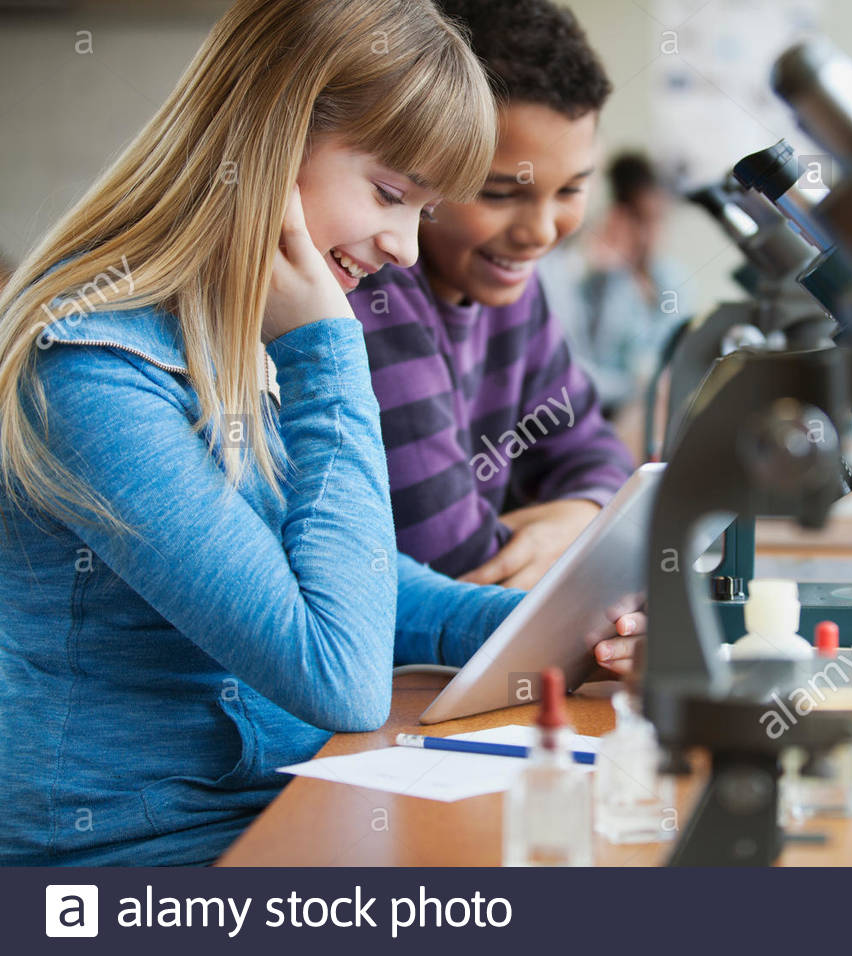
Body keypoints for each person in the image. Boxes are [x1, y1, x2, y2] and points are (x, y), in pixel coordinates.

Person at [0, 0, 639, 867]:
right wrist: (328, 352)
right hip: (144, 859)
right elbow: (340, 675)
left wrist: (579, 631)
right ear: (271, 139)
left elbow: (380, 593)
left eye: (425, 209)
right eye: (389, 193)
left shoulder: (227, 337)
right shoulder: (88, 372)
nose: (408, 248)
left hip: (280, 814)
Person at [349, 0, 634, 592]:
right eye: (500, 194)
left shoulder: (512, 292)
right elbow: (452, 562)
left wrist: (577, 516)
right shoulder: (372, 289)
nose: (540, 232)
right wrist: (592, 543)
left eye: (572, 190)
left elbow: (595, 452)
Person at [545, 152, 687, 417]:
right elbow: (586, 365)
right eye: (643, 221)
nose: (651, 235)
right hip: (605, 411)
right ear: (619, 217)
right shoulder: (596, 280)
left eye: (659, 220)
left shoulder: (671, 279)